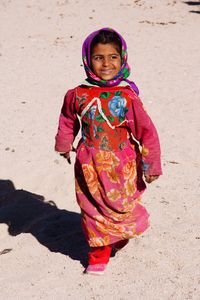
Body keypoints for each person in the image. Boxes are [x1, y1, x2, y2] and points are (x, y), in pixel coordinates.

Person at [55, 27, 162, 275]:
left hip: (122, 166)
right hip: (88, 164)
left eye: (113, 57)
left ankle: (117, 235)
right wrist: (64, 144)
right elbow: (67, 120)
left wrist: (151, 165)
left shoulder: (127, 97)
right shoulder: (77, 95)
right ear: (87, 60)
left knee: (121, 207)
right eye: (98, 57)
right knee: (91, 210)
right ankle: (98, 254)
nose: (106, 64)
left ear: (122, 58)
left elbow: (147, 132)